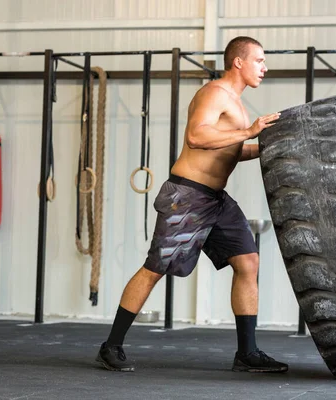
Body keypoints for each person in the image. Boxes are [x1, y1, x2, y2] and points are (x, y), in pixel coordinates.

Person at [95, 36, 287, 373]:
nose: (264, 68)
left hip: (216, 201)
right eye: (259, 60)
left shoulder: (238, 106)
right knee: (155, 268)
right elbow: (197, 137)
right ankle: (111, 346)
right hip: (187, 195)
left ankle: (247, 353)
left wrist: (267, 146)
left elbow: (231, 150)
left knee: (248, 261)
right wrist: (250, 132)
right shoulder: (214, 93)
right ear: (238, 62)